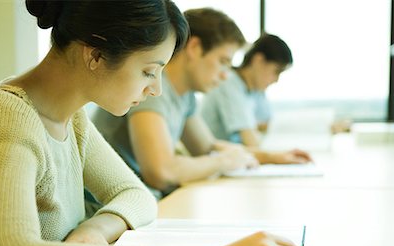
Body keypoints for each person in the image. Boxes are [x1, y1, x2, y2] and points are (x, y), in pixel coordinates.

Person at [0, 1, 317, 246]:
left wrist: (94, 230)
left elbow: (137, 195)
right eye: (149, 71)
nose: (156, 88)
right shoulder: (8, 116)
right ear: (95, 55)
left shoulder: (72, 116)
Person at [92, 9, 311, 198]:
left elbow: (207, 147)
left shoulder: (185, 96)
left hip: (141, 201)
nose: (226, 75)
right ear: (195, 47)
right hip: (111, 208)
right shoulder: (152, 88)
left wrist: (272, 158)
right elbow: (161, 172)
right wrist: (223, 161)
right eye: (223, 61)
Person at [201, 34, 305, 148]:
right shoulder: (228, 83)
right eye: (276, 71)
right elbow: (252, 142)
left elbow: (265, 126)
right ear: (258, 60)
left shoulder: (256, 91)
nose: (276, 80)